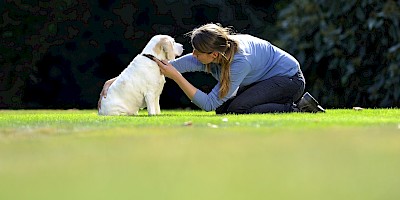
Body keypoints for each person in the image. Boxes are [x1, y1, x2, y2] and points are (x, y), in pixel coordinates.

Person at [98, 23, 325, 114]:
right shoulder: (211, 53)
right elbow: (160, 66)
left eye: (197, 53)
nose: (193, 57)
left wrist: (176, 77)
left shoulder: (239, 61)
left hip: (288, 80)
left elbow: (207, 103)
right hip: (265, 81)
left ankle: (297, 107)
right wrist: (116, 80)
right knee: (224, 110)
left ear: (213, 55)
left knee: (238, 109)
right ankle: (290, 106)